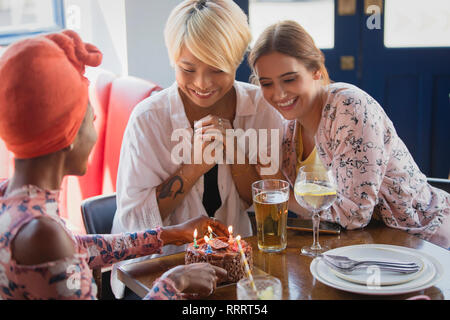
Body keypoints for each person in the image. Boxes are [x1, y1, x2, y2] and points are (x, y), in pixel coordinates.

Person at [0, 30, 228, 300]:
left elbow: (78, 247)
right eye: (91, 120)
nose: (95, 134)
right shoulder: (43, 236)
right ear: (68, 135)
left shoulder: (13, 200)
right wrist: (172, 283)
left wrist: (170, 234)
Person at [248, 20, 450, 249]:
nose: (279, 93)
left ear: (315, 71)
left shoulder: (349, 108)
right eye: (267, 83)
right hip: (359, 250)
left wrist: (282, 193)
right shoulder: (287, 130)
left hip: (422, 240)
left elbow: (353, 216)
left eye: (289, 79)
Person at [112, 0, 283, 240]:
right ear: (173, 61)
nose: (202, 83)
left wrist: (236, 155)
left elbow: (270, 206)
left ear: (236, 61)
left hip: (235, 260)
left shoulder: (262, 110)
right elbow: (134, 222)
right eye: (188, 69)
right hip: (158, 265)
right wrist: (193, 167)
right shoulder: (148, 120)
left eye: (217, 70)